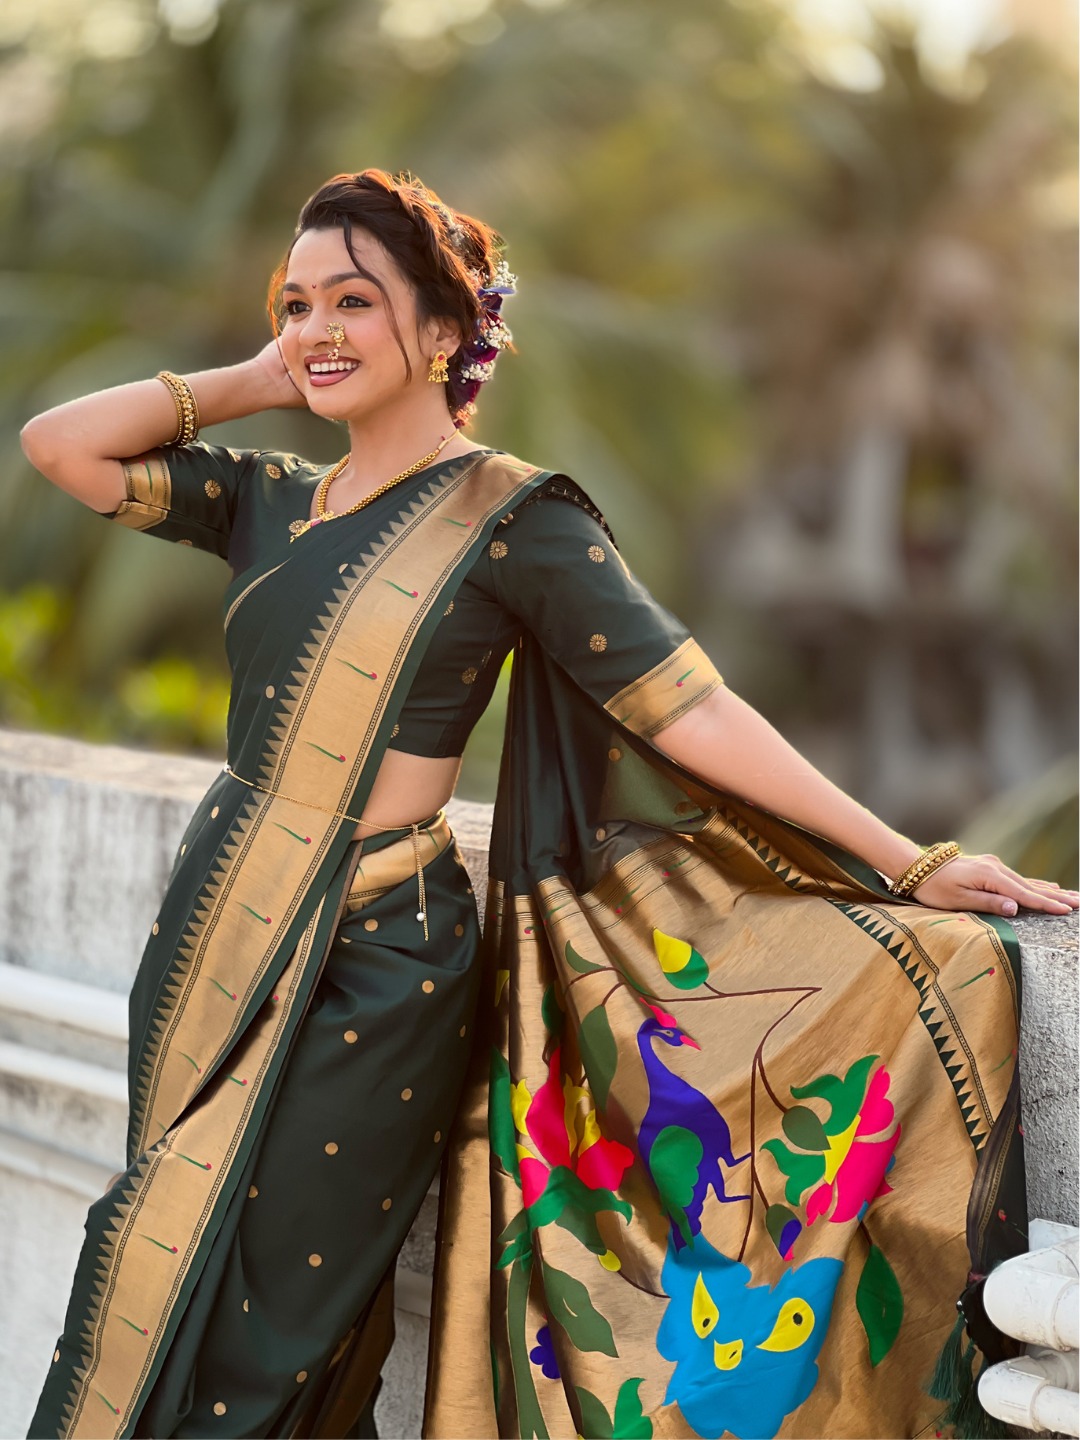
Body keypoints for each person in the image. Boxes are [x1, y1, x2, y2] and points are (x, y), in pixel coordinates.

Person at [20, 168, 1075, 1440]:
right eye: (295, 305)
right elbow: (60, 446)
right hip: (218, 937)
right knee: (148, 1257)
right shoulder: (271, 500)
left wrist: (906, 863)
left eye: (354, 301)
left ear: (447, 330)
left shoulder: (512, 520)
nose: (318, 330)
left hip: (376, 958)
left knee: (272, 1322)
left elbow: (690, 712)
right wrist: (256, 377)